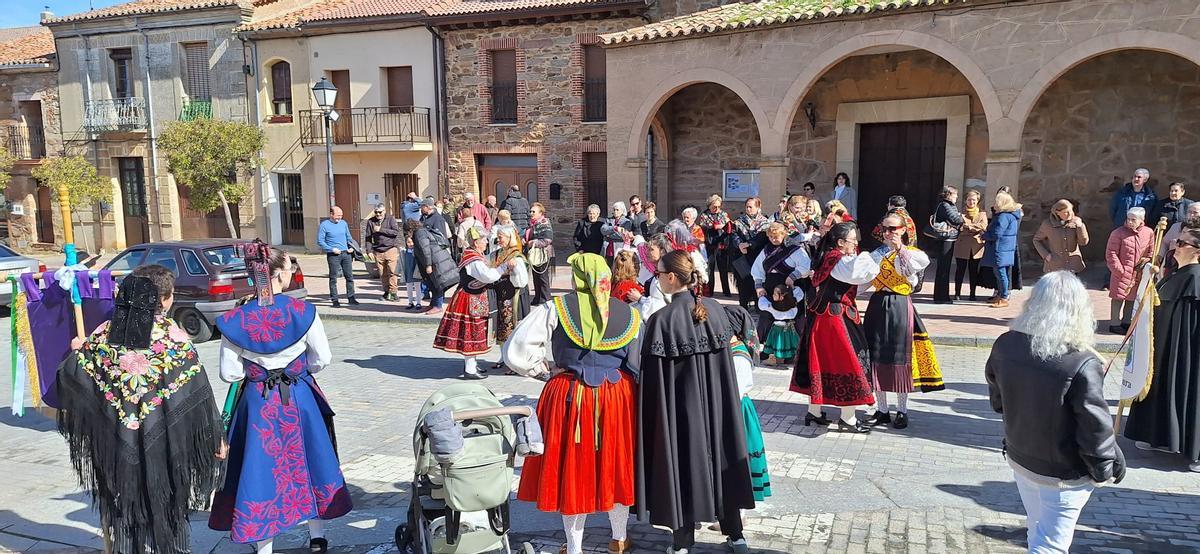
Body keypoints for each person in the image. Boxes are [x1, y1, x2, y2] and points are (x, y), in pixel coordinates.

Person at [57, 265, 223, 554]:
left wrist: (77, 353)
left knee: (124, 508)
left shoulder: (103, 335)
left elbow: (70, 376)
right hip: (168, 443)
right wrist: (215, 436)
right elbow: (199, 394)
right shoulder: (175, 339)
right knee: (166, 505)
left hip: (117, 443)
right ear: (167, 298)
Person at [210, 247, 351, 554]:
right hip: (299, 398)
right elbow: (322, 358)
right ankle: (317, 537)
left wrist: (260, 368)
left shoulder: (235, 320)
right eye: (288, 269)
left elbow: (229, 374)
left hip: (258, 404)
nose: (290, 274)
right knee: (310, 462)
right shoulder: (303, 312)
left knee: (261, 469)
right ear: (276, 274)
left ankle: (264, 547)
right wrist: (297, 370)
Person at [503, 253, 642, 554]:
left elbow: (516, 352)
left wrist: (544, 371)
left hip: (569, 395)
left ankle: (575, 547)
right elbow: (637, 363)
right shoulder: (630, 314)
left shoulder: (556, 308)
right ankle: (618, 538)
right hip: (617, 397)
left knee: (573, 470)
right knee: (615, 465)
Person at [985, 271, 1126, 553]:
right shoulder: (1082, 363)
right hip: (1063, 472)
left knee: (1036, 530)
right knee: (1051, 545)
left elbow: (998, 403)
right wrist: (1103, 471)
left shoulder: (1006, 343)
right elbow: (1094, 429)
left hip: (1021, 457)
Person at [637, 250, 756, 554]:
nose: (656, 277)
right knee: (723, 460)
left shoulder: (661, 320)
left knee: (681, 466)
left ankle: (682, 542)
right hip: (719, 407)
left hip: (680, 412)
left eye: (659, 272)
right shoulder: (716, 310)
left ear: (672, 277)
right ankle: (736, 534)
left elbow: (652, 383)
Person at [790, 222, 879, 433]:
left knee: (819, 361)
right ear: (840, 242)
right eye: (852, 240)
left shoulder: (828, 257)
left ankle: (814, 411)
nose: (856, 243)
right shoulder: (839, 260)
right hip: (834, 319)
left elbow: (857, 281)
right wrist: (873, 257)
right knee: (847, 362)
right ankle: (847, 418)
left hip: (822, 316)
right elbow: (859, 273)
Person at [1124, 227, 1200, 472]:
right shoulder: (1178, 273)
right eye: (1177, 241)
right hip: (1165, 346)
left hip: (1185, 350)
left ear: (1197, 251)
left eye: (1182, 243)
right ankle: (1159, 436)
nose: (1175, 246)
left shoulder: (1195, 278)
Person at [863, 214, 942, 430]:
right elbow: (863, 281)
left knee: (899, 359)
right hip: (878, 305)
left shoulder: (913, 253)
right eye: (885, 229)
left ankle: (902, 410)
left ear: (903, 230)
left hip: (899, 306)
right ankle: (882, 410)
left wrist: (900, 250)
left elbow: (912, 270)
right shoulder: (876, 255)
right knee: (876, 356)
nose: (888, 233)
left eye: (893, 228)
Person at [434, 226, 512, 379]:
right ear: (476, 242)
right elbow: (487, 276)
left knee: (475, 331)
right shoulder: (474, 259)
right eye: (484, 240)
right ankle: (470, 369)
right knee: (471, 332)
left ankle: (472, 364)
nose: (486, 243)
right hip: (470, 299)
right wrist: (503, 267)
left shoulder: (475, 255)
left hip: (473, 297)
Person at [723, 306, 772, 503]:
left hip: (738, 411)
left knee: (740, 458)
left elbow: (736, 390)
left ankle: (740, 511)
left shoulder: (739, 357)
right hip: (733, 408)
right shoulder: (732, 350)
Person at [751, 222, 811, 351]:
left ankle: (796, 346)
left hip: (790, 286)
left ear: (784, 234)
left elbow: (806, 265)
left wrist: (793, 276)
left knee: (794, 315)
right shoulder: (766, 250)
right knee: (767, 313)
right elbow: (757, 268)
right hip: (771, 286)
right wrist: (759, 286)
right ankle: (766, 344)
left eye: (776, 236)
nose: (773, 239)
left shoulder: (795, 249)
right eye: (771, 237)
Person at [1105, 207, 1154, 334]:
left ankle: (1127, 321)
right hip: (1121, 271)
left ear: (1141, 220)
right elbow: (1111, 253)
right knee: (1118, 297)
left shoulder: (1148, 232)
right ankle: (1114, 323)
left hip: (1137, 272)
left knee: (1131, 298)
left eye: (1134, 219)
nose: (1130, 222)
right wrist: (1119, 270)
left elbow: (1151, 251)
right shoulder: (1118, 233)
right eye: (1128, 219)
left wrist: (1145, 262)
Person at [490, 225, 531, 351]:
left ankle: (514, 356)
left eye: (501, 237)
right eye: (498, 236)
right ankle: (503, 356)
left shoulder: (517, 255)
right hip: (500, 292)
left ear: (509, 238)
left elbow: (522, 280)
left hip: (513, 294)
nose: (498, 239)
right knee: (502, 325)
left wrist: (514, 269)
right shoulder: (496, 253)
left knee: (513, 324)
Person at [982, 191, 1021, 308]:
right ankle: (1001, 295)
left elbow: (996, 234)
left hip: (1000, 248)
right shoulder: (1012, 215)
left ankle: (1003, 297)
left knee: (1000, 273)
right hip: (1006, 248)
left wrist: (984, 235)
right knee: (1002, 273)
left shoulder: (1003, 216)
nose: (995, 204)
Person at [732, 197, 773, 309]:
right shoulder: (739, 221)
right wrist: (739, 244)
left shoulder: (765, 222)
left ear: (758, 207)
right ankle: (743, 307)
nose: (748, 209)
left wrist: (750, 244)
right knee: (743, 282)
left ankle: (758, 306)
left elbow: (763, 237)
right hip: (742, 256)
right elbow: (734, 235)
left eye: (751, 207)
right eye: (747, 207)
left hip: (758, 256)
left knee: (757, 281)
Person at [409, 219, 455, 315]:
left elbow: (426, 250)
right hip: (437, 260)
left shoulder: (420, 233)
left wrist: (428, 265)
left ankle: (438, 306)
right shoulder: (422, 231)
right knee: (434, 284)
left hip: (436, 262)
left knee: (438, 284)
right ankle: (433, 304)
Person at [1033, 199, 1089, 274]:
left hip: (1073, 265)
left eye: (1071, 210)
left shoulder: (1076, 222)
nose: (1069, 214)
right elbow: (1036, 240)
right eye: (1065, 212)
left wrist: (1080, 227)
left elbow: (1083, 242)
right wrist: (1046, 255)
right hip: (1055, 265)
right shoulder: (1047, 225)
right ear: (1057, 213)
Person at [317, 206, 358, 307]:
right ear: (331, 214)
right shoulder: (324, 225)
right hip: (333, 255)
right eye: (337, 216)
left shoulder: (343, 223)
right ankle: (335, 299)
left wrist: (351, 247)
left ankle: (351, 297)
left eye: (341, 216)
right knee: (333, 278)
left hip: (346, 253)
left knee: (349, 276)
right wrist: (331, 249)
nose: (339, 218)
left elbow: (349, 237)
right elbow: (320, 241)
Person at [931, 186, 965, 304]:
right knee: (943, 268)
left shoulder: (948, 205)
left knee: (944, 267)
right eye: (955, 194)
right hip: (946, 239)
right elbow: (955, 219)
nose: (957, 197)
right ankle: (941, 296)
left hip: (949, 238)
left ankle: (942, 295)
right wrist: (962, 217)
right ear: (949, 194)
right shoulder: (945, 205)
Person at [953, 190, 988, 300]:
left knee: (973, 272)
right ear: (965, 201)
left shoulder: (982, 214)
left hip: (976, 247)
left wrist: (968, 226)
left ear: (977, 201)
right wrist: (973, 227)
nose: (971, 202)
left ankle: (972, 294)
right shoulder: (960, 214)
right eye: (969, 199)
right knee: (960, 270)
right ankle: (957, 293)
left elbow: (983, 227)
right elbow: (959, 226)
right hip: (962, 245)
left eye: (973, 200)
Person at [698, 194, 733, 297]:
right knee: (710, 268)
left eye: (718, 206)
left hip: (722, 243)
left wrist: (722, 226)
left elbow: (729, 226)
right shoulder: (705, 215)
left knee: (723, 268)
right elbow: (702, 227)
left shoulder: (723, 214)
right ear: (709, 205)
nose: (716, 209)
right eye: (714, 206)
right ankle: (710, 291)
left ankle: (726, 291)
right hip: (710, 244)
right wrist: (712, 226)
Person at [365, 203, 402, 301]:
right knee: (382, 273)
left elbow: (395, 232)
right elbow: (368, 237)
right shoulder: (371, 221)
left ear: (384, 211)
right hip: (378, 251)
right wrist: (369, 251)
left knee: (392, 272)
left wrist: (381, 229)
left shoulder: (391, 219)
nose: (378, 214)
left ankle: (393, 292)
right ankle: (386, 292)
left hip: (391, 248)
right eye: (376, 212)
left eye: (380, 212)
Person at [759, 284, 800, 365]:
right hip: (789, 330)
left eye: (775, 294)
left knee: (779, 343)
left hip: (777, 330)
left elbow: (762, 305)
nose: (772, 295)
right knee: (788, 343)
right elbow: (800, 294)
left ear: (781, 297)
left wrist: (762, 296)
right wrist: (793, 287)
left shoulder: (771, 306)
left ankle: (778, 360)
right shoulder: (793, 307)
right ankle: (788, 359)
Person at [525, 202, 555, 306]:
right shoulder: (533, 223)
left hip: (543, 254)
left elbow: (547, 239)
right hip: (534, 254)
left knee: (542, 277)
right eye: (531, 211)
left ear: (540, 213)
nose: (531, 213)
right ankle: (538, 298)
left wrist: (532, 243)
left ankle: (546, 299)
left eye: (533, 211)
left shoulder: (544, 223)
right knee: (536, 277)